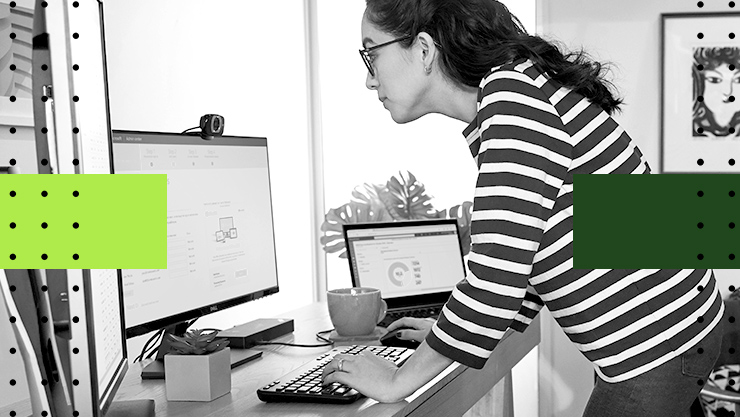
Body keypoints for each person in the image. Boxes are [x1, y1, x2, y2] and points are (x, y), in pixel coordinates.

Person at [321, 1, 726, 416]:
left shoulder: (514, 100)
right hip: (670, 330)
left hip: (656, 340)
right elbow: (536, 246)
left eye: (372, 53)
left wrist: (395, 380)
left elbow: (495, 280)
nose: (370, 80)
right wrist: (442, 338)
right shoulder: (517, 89)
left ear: (423, 50)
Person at [692, 47, 740, 138]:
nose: (728, 92)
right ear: (700, 83)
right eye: (715, 80)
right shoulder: (688, 127)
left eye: (738, 80)